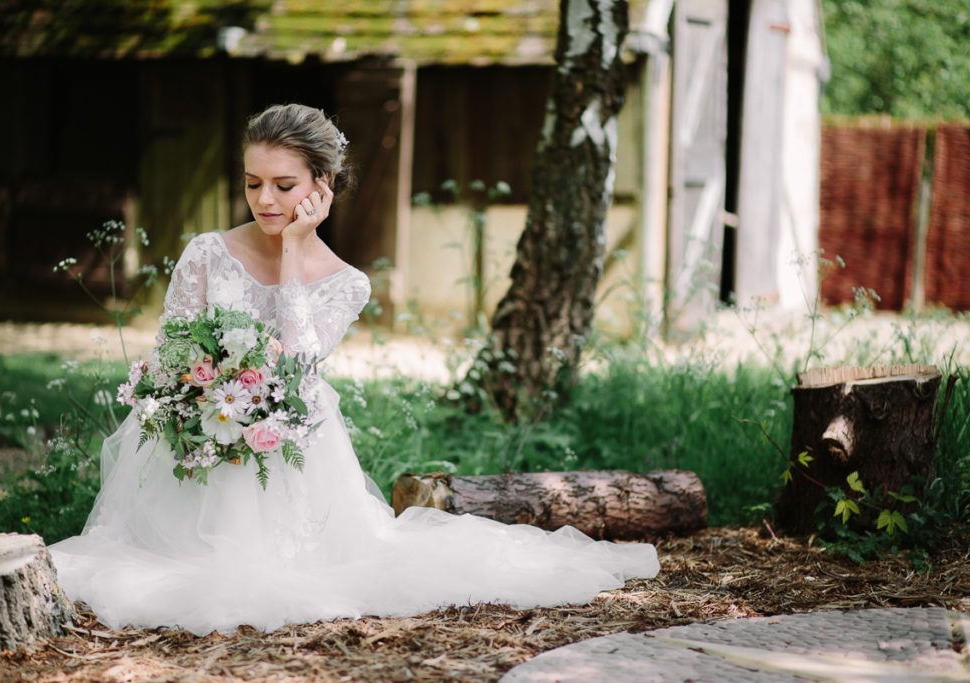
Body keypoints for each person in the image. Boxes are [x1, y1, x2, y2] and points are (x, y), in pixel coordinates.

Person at [49, 104, 659, 635]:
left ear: (324, 185)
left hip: (289, 446)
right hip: (195, 440)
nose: (265, 200)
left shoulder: (348, 283)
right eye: (252, 182)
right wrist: (198, 401)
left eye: (284, 186)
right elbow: (172, 351)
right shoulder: (208, 253)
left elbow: (297, 371)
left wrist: (292, 250)